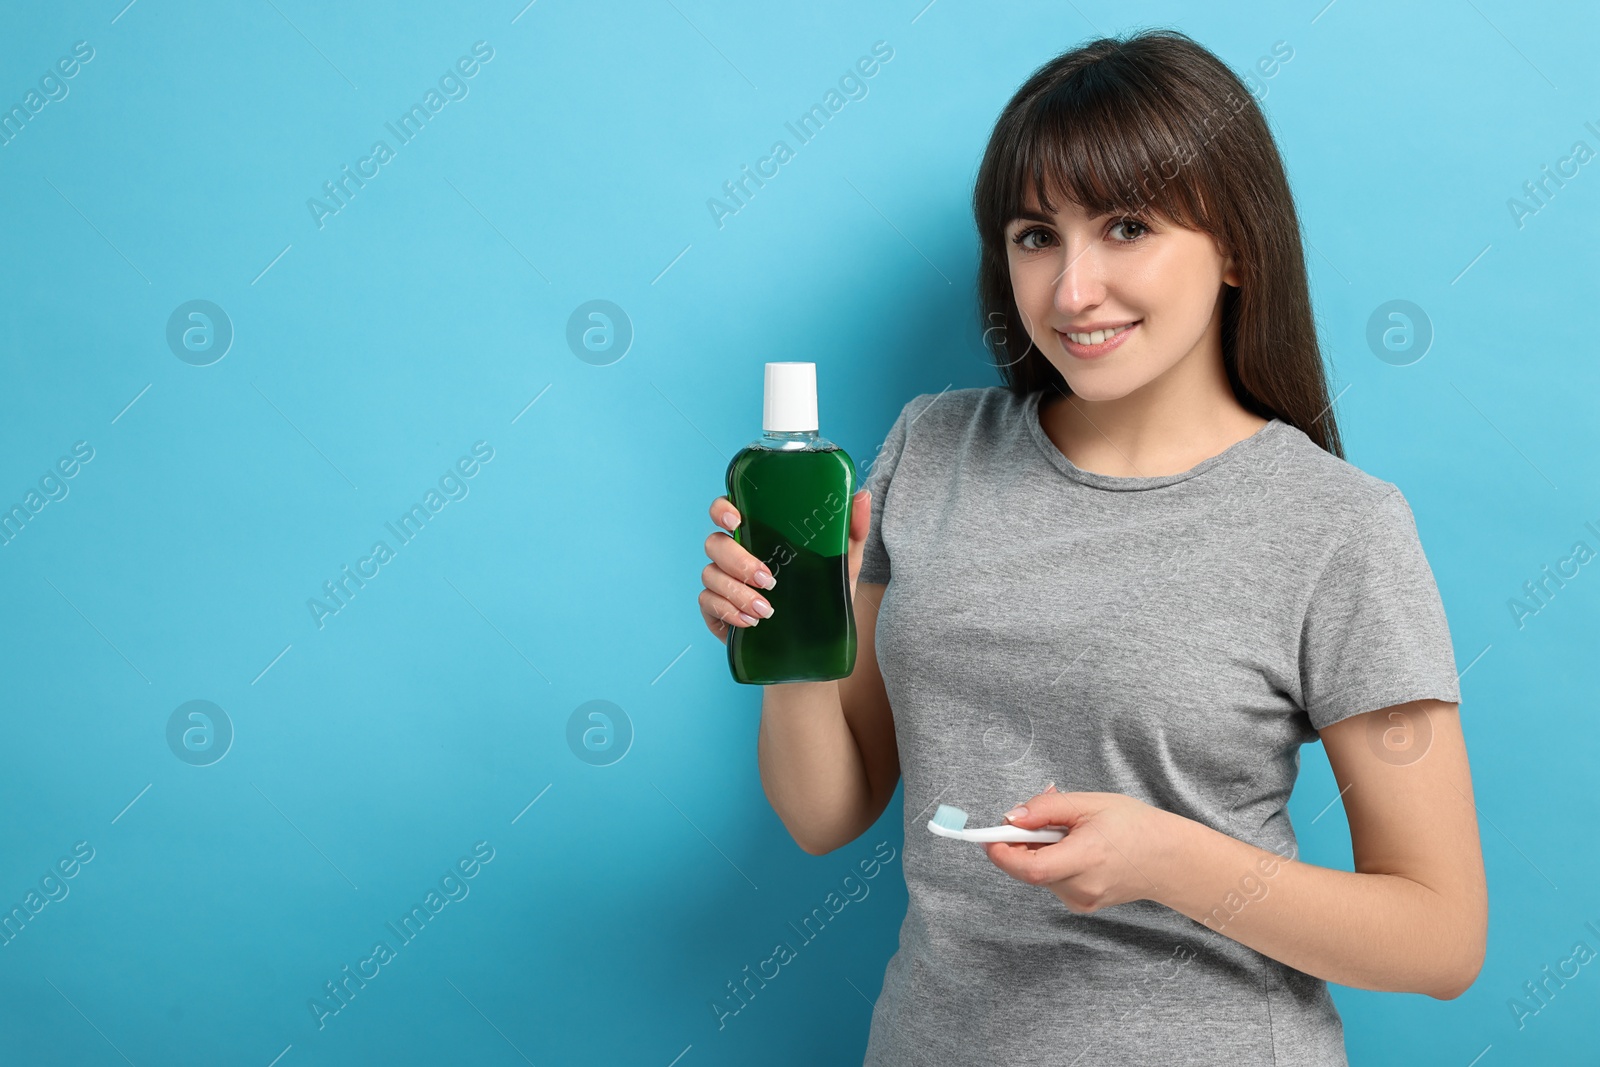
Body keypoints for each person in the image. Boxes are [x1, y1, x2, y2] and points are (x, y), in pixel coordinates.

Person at [698, 28, 1485, 1067]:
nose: (1071, 291)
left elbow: (1440, 934)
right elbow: (823, 812)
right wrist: (792, 628)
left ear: (1236, 245)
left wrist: (1168, 859)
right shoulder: (930, 449)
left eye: (1125, 227)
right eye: (1035, 235)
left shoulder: (1337, 526)